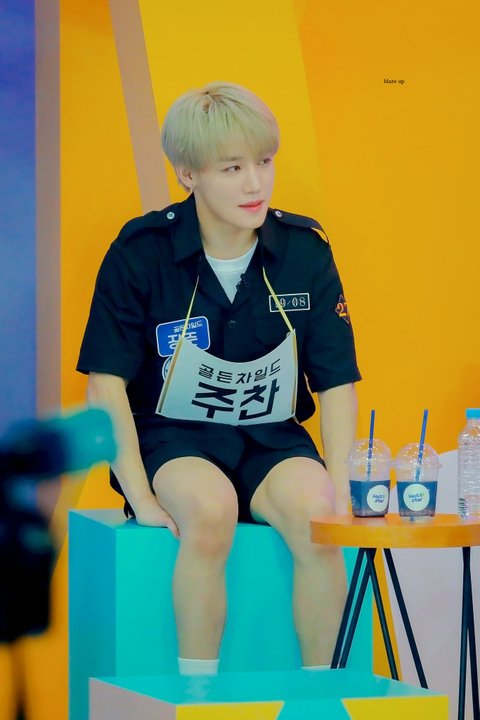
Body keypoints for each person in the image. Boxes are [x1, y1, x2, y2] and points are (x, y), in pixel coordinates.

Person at [77, 81, 361, 676]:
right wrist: (138, 494)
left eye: (264, 162)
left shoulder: (305, 250)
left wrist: (339, 489)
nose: (255, 184)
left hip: (272, 437)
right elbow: (105, 383)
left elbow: (336, 380)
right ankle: (199, 694)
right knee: (210, 510)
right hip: (173, 437)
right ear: (189, 174)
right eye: (232, 168)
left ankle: (323, 692)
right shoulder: (140, 252)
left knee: (317, 519)